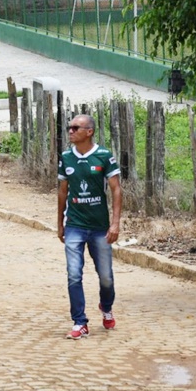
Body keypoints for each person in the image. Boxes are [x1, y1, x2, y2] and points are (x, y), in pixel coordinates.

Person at [57, 114, 122, 340]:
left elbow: (116, 189)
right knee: (74, 274)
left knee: (106, 277)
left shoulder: (103, 156)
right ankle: (80, 322)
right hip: (74, 225)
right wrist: (60, 223)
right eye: (69, 127)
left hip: (99, 227)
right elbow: (62, 191)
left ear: (90, 131)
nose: (71, 131)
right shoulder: (66, 157)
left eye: (76, 128)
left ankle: (106, 307)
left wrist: (115, 223)